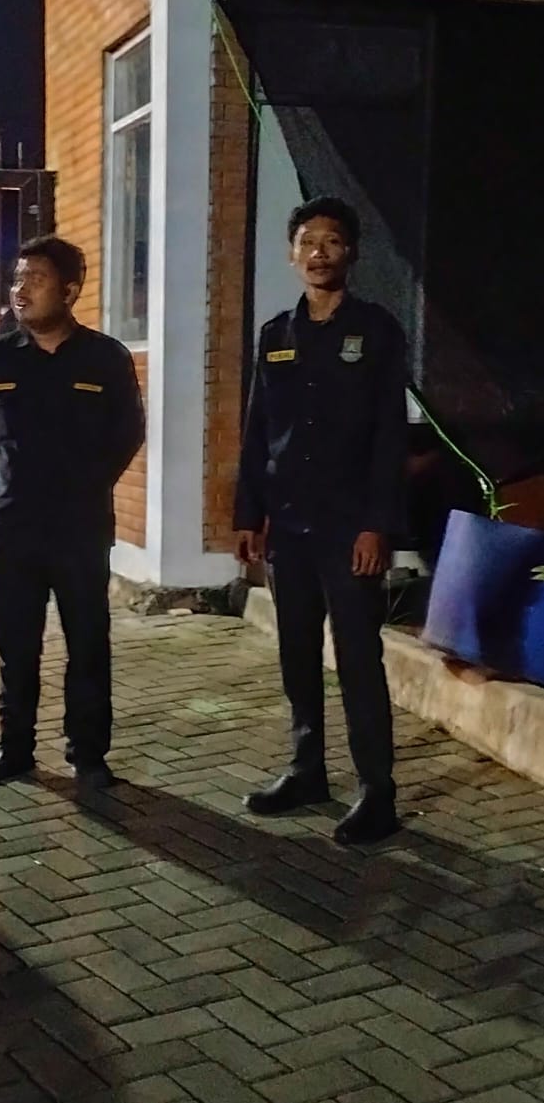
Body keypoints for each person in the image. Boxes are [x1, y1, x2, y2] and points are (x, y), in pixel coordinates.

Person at [234, 196, 408, 847]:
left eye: (332, 241)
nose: (318, 252)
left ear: (350, 253)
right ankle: (307, 769)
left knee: (358, 658)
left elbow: (389, 436)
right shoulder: (275, 336)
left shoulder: (377, 331)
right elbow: (257, 429)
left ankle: (377, 792)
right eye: (308, 241)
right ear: (292, 254)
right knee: (296, 655)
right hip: (288, 526)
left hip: (350, 528)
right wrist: (248, 514)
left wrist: (377, 525)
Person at [0, 235, 145, 789]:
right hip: (16, 526)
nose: (21, 290)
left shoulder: (106, 358)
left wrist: (83, 487)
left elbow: (127, 433)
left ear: (70, 291)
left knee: (87, 643)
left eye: (36, 279)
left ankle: (88, 755)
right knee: (15, 644)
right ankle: (14, 748)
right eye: (18, 279)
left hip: (80, 529)